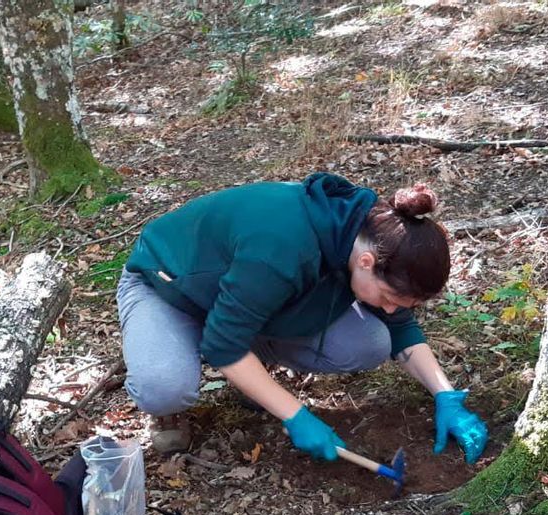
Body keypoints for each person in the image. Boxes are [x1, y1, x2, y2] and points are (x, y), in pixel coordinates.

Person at [115, 172, 488, 464]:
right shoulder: (281, 250)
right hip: (168, 288)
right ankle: (172, 391)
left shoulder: (373, 233)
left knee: (370, 341)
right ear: (366, 263)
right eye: (390, 298)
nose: (391, 309)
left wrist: (446, 395)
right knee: (163, 385)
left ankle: (251, 367)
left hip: (243, 297)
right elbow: (222, 343)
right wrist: (296, 414)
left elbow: (400, 327)